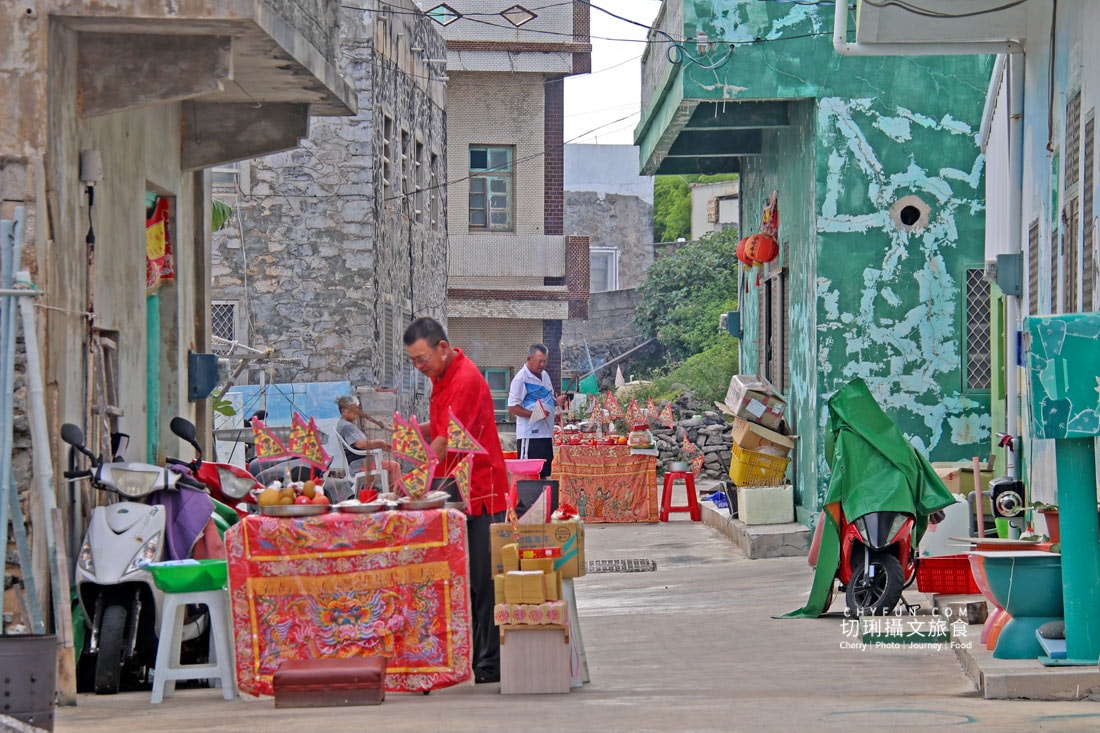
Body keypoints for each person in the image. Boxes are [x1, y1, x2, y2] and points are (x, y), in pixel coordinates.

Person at [403, 316, 509, 685]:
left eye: (421, 359)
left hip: (480, 486)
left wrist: (418, 477)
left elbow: (446, 442)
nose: (419, 366)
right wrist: (409, 433)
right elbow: (442, 427)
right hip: (456, 485)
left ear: (443, 348)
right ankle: (472, 658)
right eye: (413, 361)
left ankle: (490, 664)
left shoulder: (463, 379)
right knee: (464, 577)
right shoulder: (441, 377)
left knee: (484, 579)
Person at [507, 343, 566, 479]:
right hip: (530, 435)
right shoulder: (521, 379)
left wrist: (557, 402)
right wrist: (535, 415)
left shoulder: (545, 375)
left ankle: (544, 499)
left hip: (546, 434)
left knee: (545, 473)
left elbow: (548, 398)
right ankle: (525, 500)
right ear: (529, 359)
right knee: (528, 474)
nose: (542, 364)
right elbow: (512, 407)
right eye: (539, 361)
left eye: (545, 361)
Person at [335, 395, 399, 489]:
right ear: (344, 411)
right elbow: (360, 444)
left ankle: (389, 490)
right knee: (394, 466)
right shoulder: (346, 426)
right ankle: (394, 493)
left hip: (361, 461)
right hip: (360, 464)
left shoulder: (345, 423)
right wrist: (379, 443)